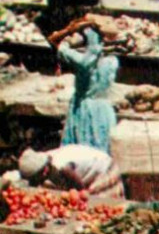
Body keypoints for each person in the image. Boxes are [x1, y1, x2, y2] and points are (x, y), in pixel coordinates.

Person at [50, 18, 120, 154]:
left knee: (83, 144)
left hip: (85, 109)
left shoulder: (81, 62)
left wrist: (67, 36)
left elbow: (54, 42)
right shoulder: (112, 60)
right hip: (104, 108)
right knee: (102, 144)